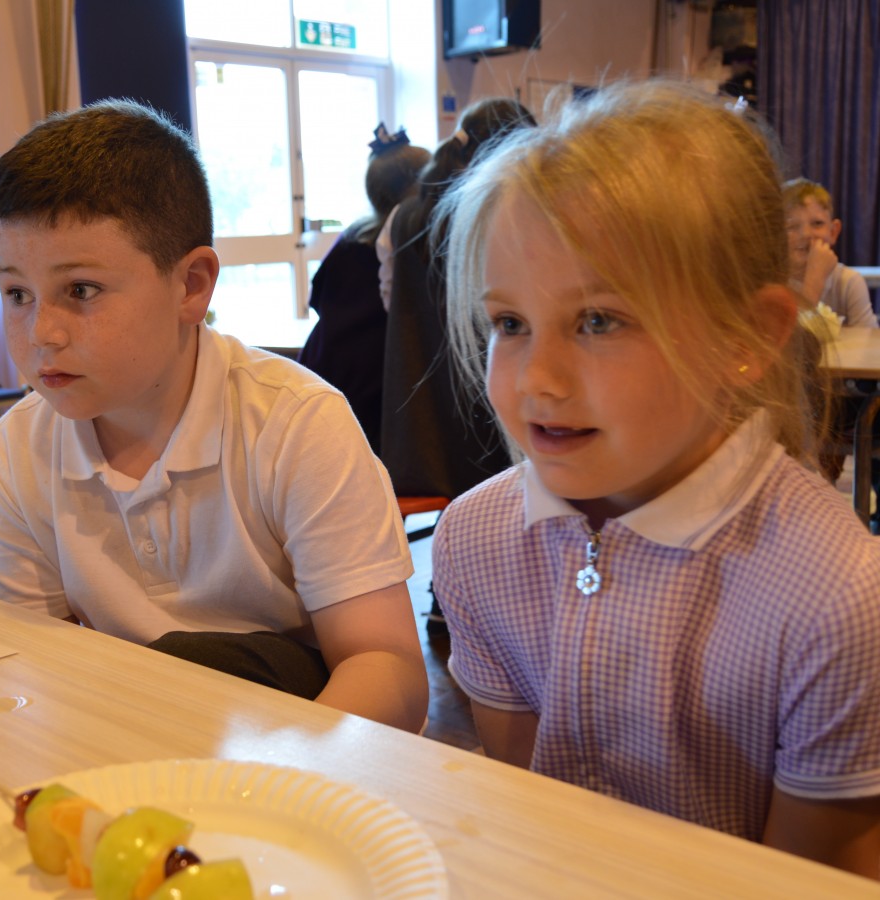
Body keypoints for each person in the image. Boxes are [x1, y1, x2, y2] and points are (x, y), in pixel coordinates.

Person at [432, 80, 880, 877]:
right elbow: (523, 816)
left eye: (598, 320)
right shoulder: (477, 539)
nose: (537, 379)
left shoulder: (836, 597)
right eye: (510, 323)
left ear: (747, 338)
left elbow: (814, 880)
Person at [0, 99, 428, 733]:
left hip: (299, 739)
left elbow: (388, 668)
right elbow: (38, 667)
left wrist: (277, 778)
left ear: (191, 285)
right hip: (130, 737)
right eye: (17, 293)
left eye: (81, 290)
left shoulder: (296, 424)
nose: (41, 332)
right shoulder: (14, 453)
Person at [377, 98, 535, 500]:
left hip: (418, 395)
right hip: (484, 391)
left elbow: (389, 296)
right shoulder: (503, 212)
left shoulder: (402, 216)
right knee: (496, 497)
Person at [296, 125, 430, 453]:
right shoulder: (408, 247)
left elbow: (316, 296)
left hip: (324, 366)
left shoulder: (353, 236)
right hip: (371, 387)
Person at [782, 177, 877, 328]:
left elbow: (869, 338)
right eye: (792, 226)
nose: (806, 234)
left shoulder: (848, 282)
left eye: (817, 224)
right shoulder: (773, 283)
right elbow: (792, 338)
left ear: (833, 232)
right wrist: (814, 280)